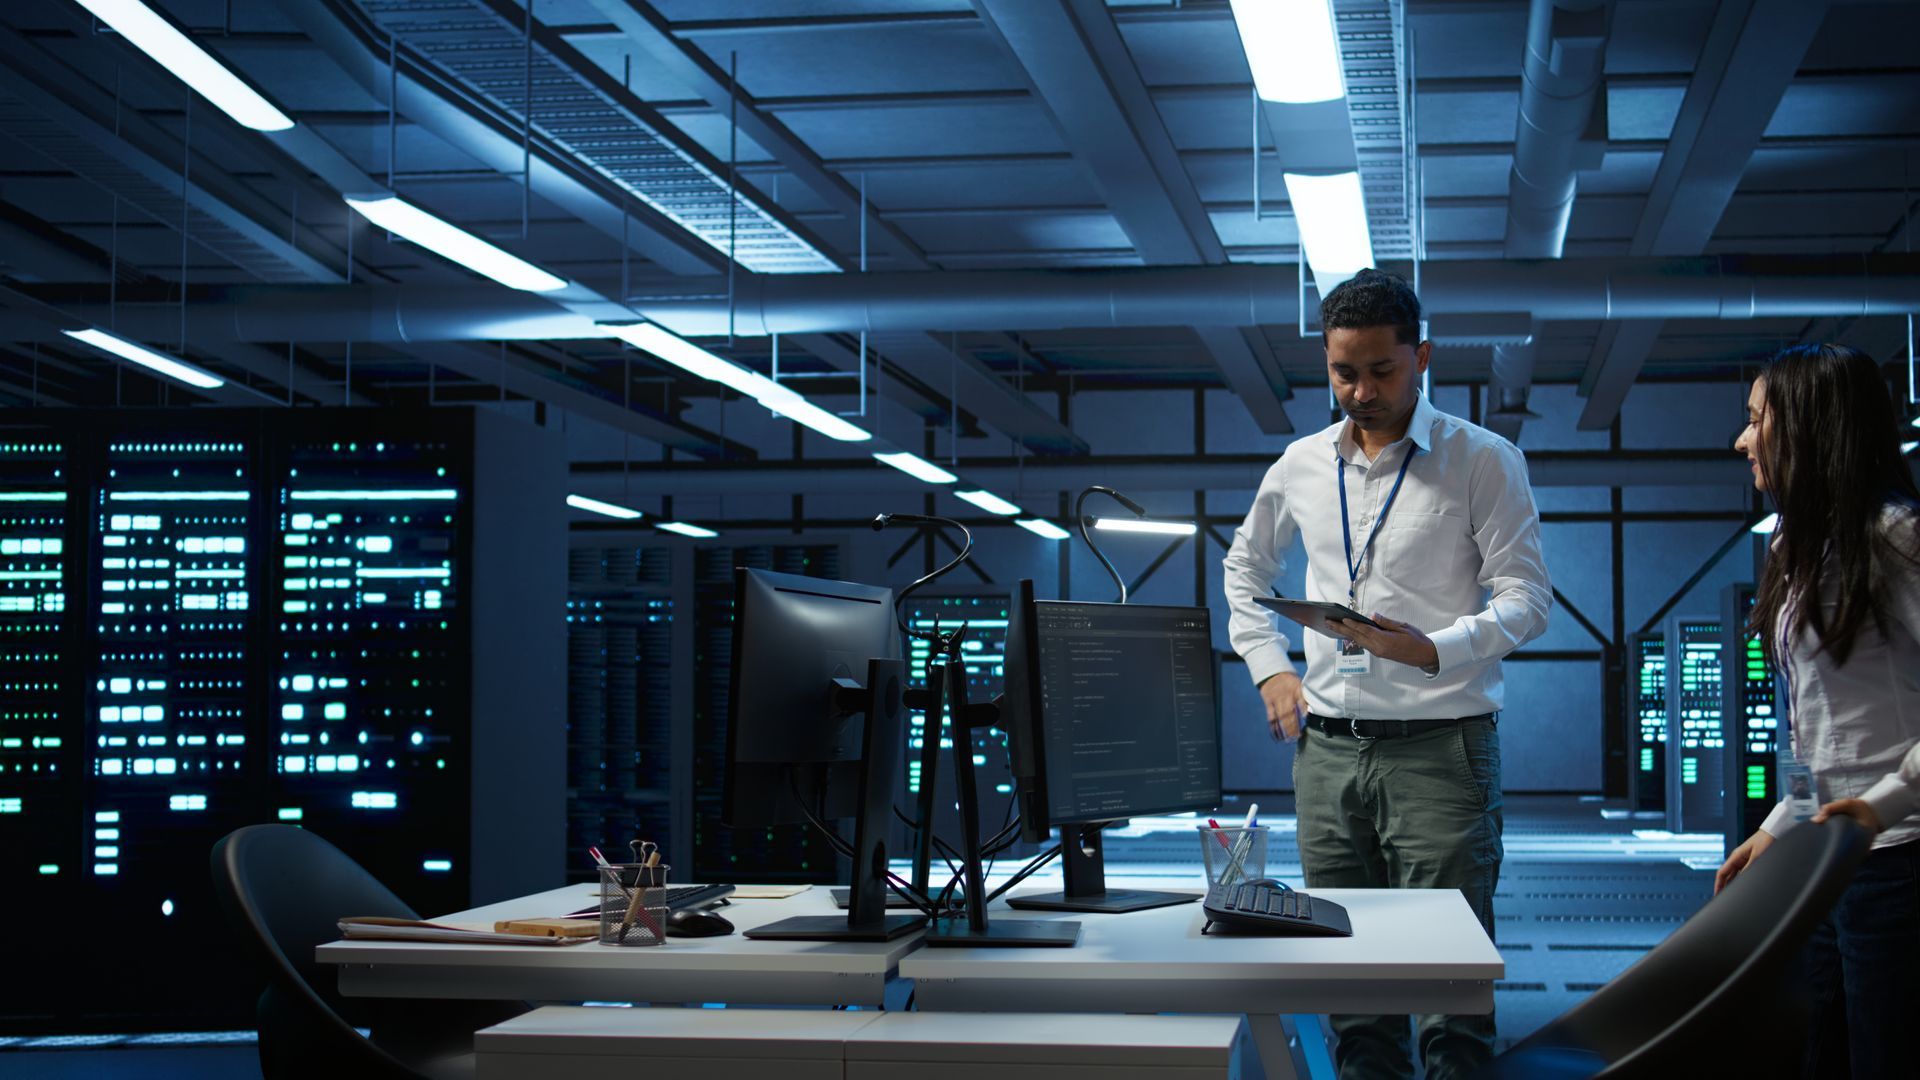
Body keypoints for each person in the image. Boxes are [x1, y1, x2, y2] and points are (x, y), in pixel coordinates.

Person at [1222, 268, 1551, 1080]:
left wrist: (1437, 646)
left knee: (1451, 994)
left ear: (1423, 357)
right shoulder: (1299, 464)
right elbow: (1244, 572)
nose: (1361, 391)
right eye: (1343, 372)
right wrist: (1271, 670)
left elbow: (1528, 598)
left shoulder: (1483, 460)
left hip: (1443, 752)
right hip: (1327, 755)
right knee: (1350, 984)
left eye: (1381, 370)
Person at [1714, 343, 1920, 1080]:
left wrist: (1880, 806)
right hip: (1832, 858)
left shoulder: (1897, 538)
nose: (1742, 440)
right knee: (1819, 1054)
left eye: (1757, 420)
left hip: (1898, 861)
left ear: (1813, 425)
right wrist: (1780, 826)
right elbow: (1819, 731)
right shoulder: (1801, 548)